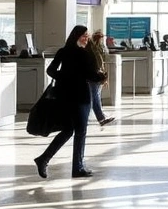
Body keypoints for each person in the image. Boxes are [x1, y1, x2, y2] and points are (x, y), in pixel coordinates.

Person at [33, 25, 107, 179]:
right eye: (84, 35)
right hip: (80, 96)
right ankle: (77, 167)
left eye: (87, 35)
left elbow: (51, 71)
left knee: (68, 130)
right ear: (77, 36)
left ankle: (43, 159)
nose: (86, 38)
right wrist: (101, 77)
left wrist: (64, 77)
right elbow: (90, 75)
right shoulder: (83, 54)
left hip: (64, 96)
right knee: (81, 132)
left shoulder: (63, 51)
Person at [88, 30, 116, 127]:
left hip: (98, 75)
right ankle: (100, 118)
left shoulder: (98, 48)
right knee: (94, 98)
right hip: (93, 75)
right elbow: (98, 62)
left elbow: (101, 62)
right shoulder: (91, 49)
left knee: (96, 97)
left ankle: (101, 118)